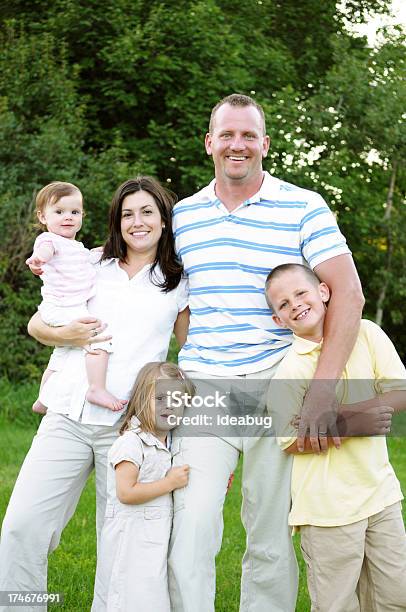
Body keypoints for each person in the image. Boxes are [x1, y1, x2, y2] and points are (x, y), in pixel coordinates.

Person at [169, 93, 364, 612]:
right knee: (191, 525)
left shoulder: (303, 206)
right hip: (204, 391)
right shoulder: (183, 216)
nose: (238, 145)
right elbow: (167, 296)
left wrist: (321, 392)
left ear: (264, 144)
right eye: (227, 135)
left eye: (248, 135)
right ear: (209, 142)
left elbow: (348, 292)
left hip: (276, 387)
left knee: (270, 536)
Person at [0, 176, 189, 612]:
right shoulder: (91, 263)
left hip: (129, 429)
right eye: (127, 213)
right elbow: (37, 326)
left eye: (147, 212)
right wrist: (63, 333)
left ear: (163, 219)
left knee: (118, 544)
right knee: (22, 527)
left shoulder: (177, 280)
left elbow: (191, 352)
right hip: (67, 413)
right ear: (115, 221)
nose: (136, 222)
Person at [266, 263, 406, 612]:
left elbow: (400, 392)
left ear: (324, 292)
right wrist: (357, 423)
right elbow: (293, 439)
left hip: (381, 496)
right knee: (337, 604)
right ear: (278, 321)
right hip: (327, 511)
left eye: (301, 293)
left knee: (395, 596)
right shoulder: (290, 371)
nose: (295, 304)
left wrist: (338, 415)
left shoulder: (367, 334)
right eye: (283, 304)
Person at [92, 361, 194, 612]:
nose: (169, 405)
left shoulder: (170, 443)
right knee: (126, 597)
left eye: (177, 399)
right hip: (129, 541)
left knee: (151, 597)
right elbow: (126, 492)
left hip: (153, 542)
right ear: (140, 399)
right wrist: (168, 483)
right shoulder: (132, 443)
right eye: (160, 397)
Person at [26, 181, 126, 414]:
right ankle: (96, 388)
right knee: (99, 337)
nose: (68, 217)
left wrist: (100, 252)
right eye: (59, 212)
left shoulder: (75, 246)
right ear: (43, 217)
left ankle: (43, 398)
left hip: (66, 305)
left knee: (61, 353)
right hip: (62, 305)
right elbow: (45, 251)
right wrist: (38, 260)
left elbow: (84, 259)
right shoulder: (48, 240)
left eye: (74, 212)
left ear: (82, 215)